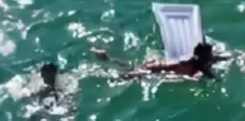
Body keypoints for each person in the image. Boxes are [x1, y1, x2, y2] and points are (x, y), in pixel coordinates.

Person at [93, 41, 225, 81]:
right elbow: (197, 78)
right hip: (155, 69)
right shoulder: (196, 68)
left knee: (131, 67)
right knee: (125, 75)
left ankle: (107, 58)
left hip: (156, 63)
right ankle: (106, 61)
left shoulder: (191, 59)